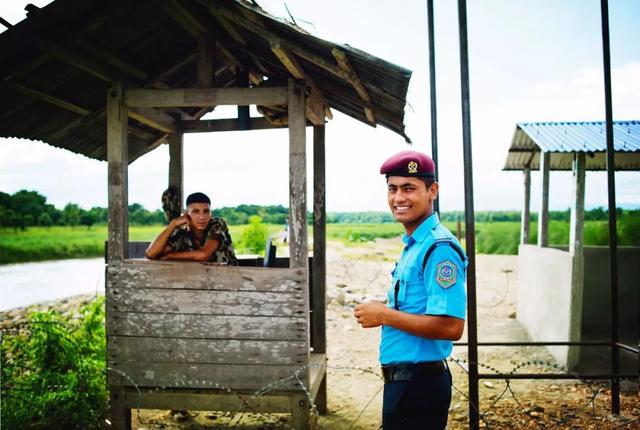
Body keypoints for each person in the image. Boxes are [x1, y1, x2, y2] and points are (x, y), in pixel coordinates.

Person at [353, 150, 467, 429]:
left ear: (432, 191)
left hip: (419, 387)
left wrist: (383, 315)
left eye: (409, 188)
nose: (399, 198)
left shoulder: (438, 249)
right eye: (392, 189)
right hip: (407, 385)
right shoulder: (416, 244)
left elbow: (451, 327)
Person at [145, 191, 238, 265]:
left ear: (211, 213)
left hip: (229, 280)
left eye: (206, 211)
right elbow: (151, 254)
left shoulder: (217, 224)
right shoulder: (182, 233)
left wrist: (169, 256)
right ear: (186, 214)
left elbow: (203, 255)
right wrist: (173, 225)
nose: (202, 217)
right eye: (196, 211)